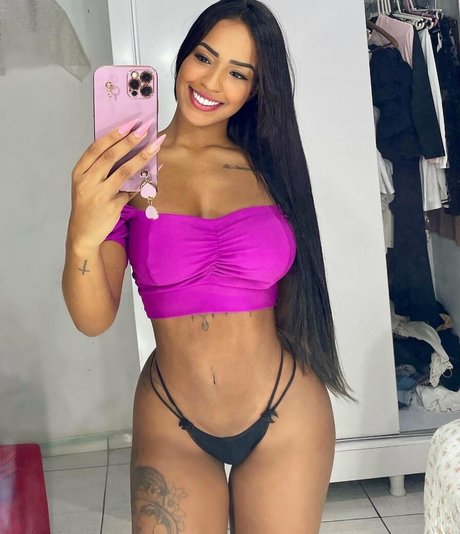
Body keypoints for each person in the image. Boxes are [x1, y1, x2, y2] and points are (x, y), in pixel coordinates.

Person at [62, 1, 356, 532]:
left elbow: (296, 294)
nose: (212, 82)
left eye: (238, 73)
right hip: (173, 420)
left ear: (255, 89)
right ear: (183, 58)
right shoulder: (127, 172)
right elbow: (93, 319)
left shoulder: (269, 170)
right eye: (204, 57)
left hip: (284, 414)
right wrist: (82, 234)